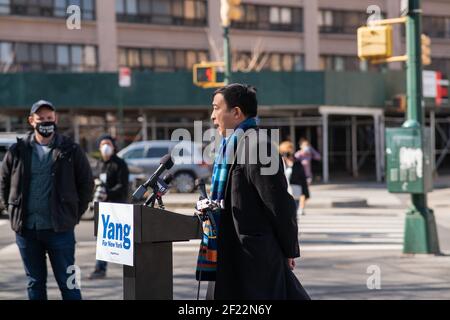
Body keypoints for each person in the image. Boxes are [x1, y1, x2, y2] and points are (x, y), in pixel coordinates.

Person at [195, 84, 310, 300]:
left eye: (216, 108)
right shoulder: (230, 146)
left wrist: (288, 250)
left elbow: (278, 204)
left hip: (254, 260)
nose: (212, 116)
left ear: (236, 112)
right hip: (230, 252)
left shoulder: (258, 146)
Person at [0, 100, 94, 300]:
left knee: (69, 284)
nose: (46, 122)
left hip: (60, 231)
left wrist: (73, 215)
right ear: (31, 121)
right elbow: (4, 182)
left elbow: (86, 185)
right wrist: (11, 209)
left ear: (56, 119)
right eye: (41, 118)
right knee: (34, 283)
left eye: (49, 118)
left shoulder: (71, 150)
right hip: (27, 231)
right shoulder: (17, 150)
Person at [88, 134, 129, 279]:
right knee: (102, 239)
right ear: (99, 147)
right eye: (103, 144)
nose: (106, 146)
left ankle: (131, 270)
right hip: (103, 207)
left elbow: (123, 186)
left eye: (109, 144)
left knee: (123, 240)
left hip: (117, 206)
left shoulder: (120, 164)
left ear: (113, 146)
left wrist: (109, 193)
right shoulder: (99, 164)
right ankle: (100, 269)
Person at [279, 141, 309, 213]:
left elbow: (302, 179)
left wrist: (305, 193)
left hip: (295, 191)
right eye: (285, 152)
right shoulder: (279, 163)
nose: (288, 154)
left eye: (289, 152)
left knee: (293, 213)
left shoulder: (297, 163)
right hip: (283, 192)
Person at [295, 138, 321, 215]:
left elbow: (318, 157)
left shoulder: (309, 154)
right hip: (299, 176)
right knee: (302, 193)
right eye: (305, 145)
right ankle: (300, 208)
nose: (306, 147)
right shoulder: (299, 154)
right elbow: (294, 159)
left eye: (307, 145)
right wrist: (301, 152)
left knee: (305, 194)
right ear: (301, 146)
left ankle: (300, 207)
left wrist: (312, 150)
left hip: (308, 176)